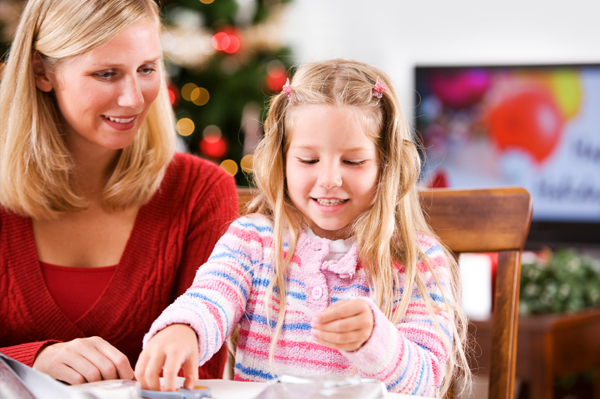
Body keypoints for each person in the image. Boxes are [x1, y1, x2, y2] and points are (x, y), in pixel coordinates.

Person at [135, 59, 471, 397]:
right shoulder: (253, 241)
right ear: (282, 159)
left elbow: (426, 383)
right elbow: (210, 297)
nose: (329, 180)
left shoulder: (418, 261)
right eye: (308, 160)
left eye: (353, 161)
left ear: (386, 164)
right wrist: (183, 328)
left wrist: (376, 340)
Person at [0, 0, 237, 385]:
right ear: (41, 71)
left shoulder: (201, 192)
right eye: (106, 73)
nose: (133, 98)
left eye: (146, 69)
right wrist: (34, 360)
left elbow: (199, 378)